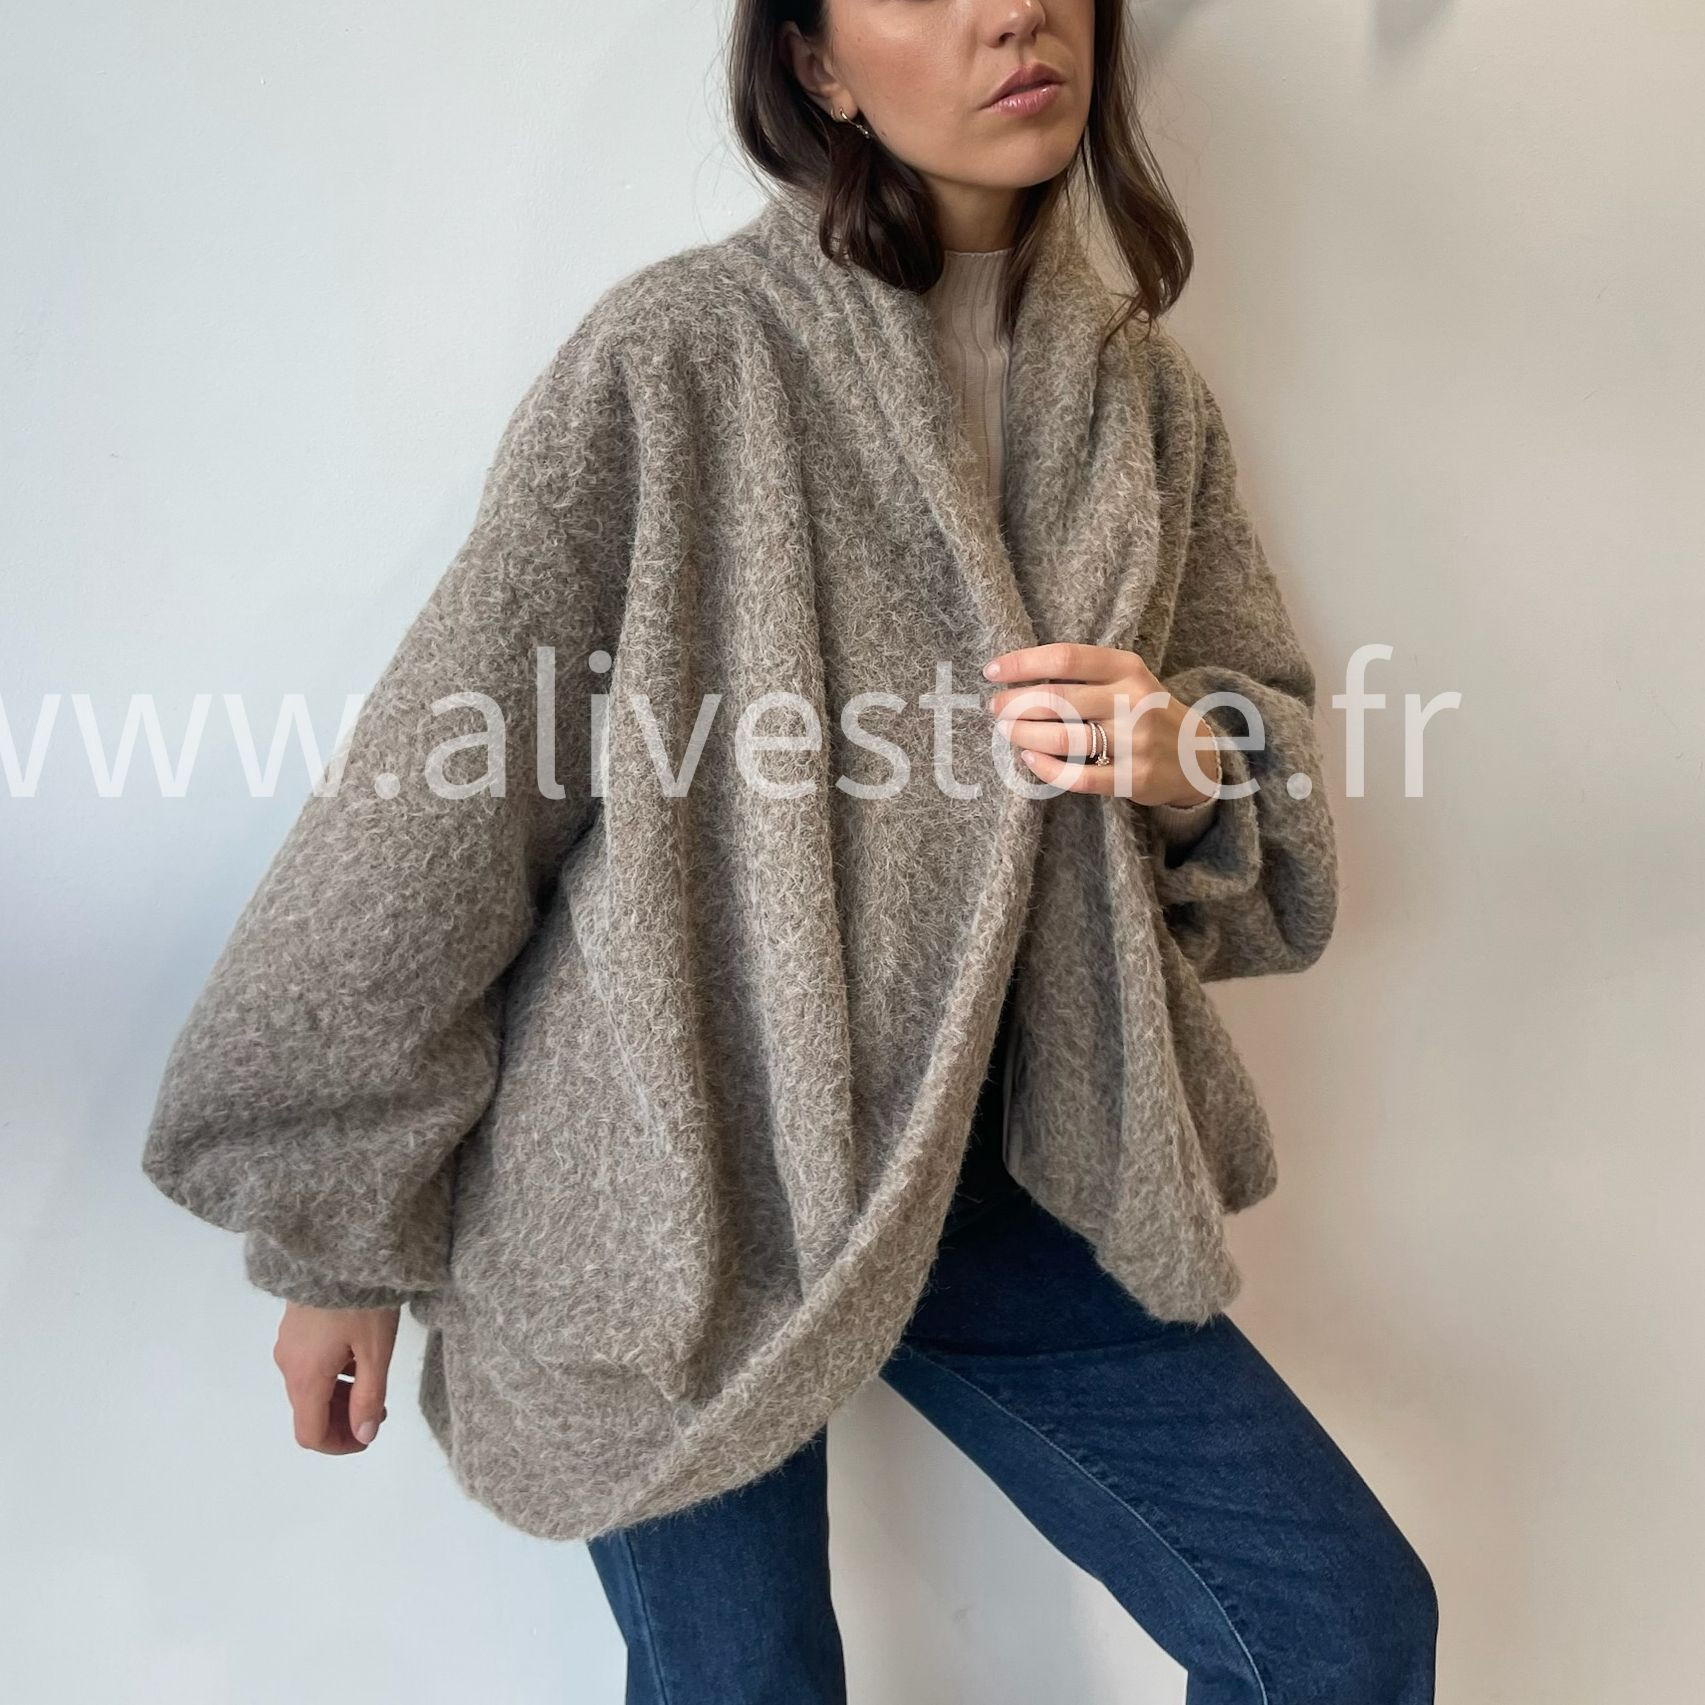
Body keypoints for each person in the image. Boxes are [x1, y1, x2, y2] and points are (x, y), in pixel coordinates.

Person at [141, 1, 1437, 1699]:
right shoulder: (680, 357)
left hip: (1005, 1160)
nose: (1011, 12)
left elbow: (1250, 762)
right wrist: (335, 1240)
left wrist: (1189, 761)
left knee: (1333, 1622)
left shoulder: (1140, 405)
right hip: (667, 1173)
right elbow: (450, 784)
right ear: (818, 65)